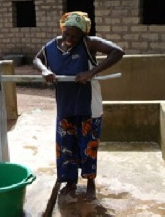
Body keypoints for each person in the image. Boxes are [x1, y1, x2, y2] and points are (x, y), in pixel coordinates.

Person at [33, 11, 124, 201]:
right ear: (62, 29)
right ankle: (70, 181)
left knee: (88, 145)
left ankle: (90, 183)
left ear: (83, 34)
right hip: (65, 105)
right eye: (67, 34)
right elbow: (37, 59)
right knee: (66, 145)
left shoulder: (88, 43)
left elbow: (118, 52)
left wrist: (91, 72)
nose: (70, 39)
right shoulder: (52, 46)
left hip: (89, 105)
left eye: (75, 36)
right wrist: (45, 70)